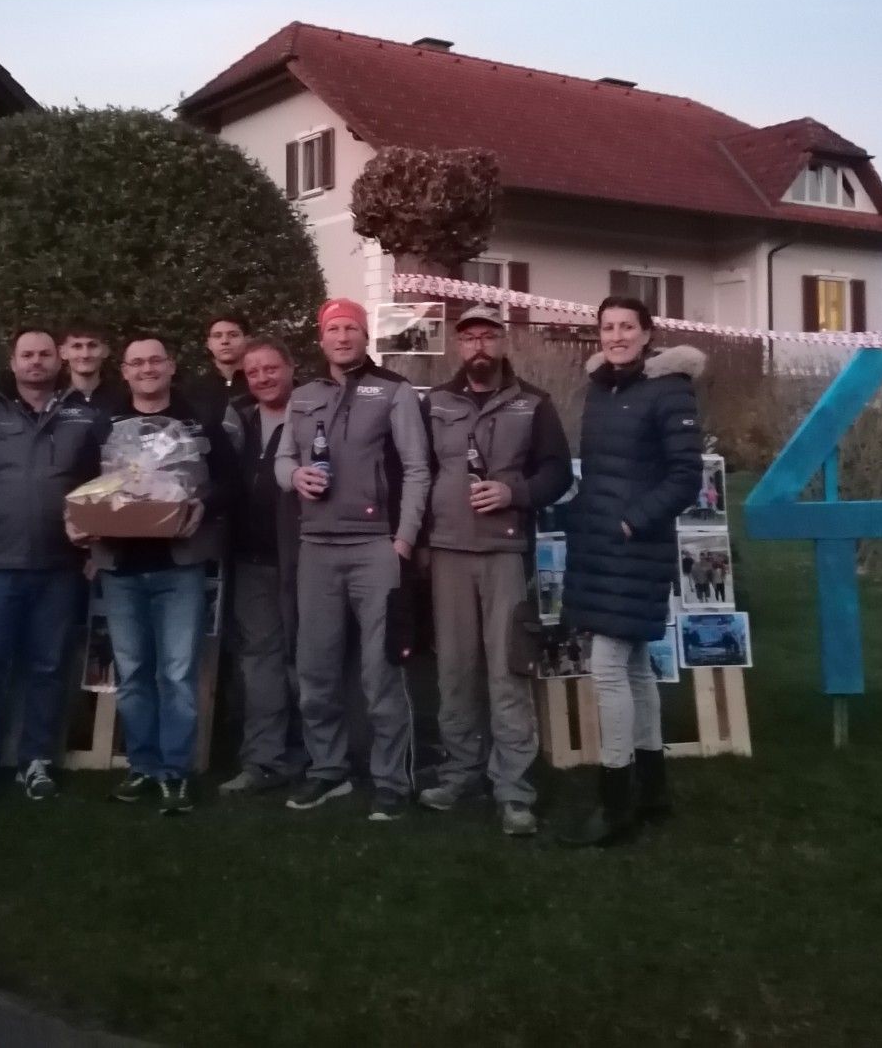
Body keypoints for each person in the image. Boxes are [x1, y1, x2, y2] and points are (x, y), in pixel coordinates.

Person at [417, 306, 572, 837]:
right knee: (454, 670)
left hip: (505, 552)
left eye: (488, 336)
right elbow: (418, 473)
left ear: (503, 342)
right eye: (470, 339)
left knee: (508, 672)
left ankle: (514, 789)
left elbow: (556, 470)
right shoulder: (434, 402)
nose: (479, 346)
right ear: (458, 347)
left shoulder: (534, 404)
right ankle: (460, 772)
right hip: (446, 552)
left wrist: (516, 493)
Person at [276, 298, 431, 822]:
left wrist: (403, 541)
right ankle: (328, 769)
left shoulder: (394, 391)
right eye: (333, 329)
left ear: (365, 337)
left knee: (379, 670)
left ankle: (391, 780)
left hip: (375, 548)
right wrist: (294, 477)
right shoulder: (302, 397)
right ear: (321, 341)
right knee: (315, 668)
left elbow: (417, 470)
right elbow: (283, 458)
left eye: (351, 329)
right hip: (316, 548)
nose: (342, 337)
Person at [559, 296, 703, 847]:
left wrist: (631, 522)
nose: (616, 336)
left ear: (647, 333)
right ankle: (652, 791)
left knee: (608, 667)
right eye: (607, 327)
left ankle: (615, 800)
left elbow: (685, 476)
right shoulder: (602, 389)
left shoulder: (670, 389)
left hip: (635, 545)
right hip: (599, 545)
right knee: (638, 665)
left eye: (626, 327)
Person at [72, 334, 235, 814]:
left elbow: (230, 481)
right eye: (136, 363)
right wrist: (79, 518)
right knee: (134, 673)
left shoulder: (197, 421)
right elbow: (82, 485)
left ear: (171, 366)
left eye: (155, 361)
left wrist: (202, 505)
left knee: (179, 674)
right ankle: (142, 766)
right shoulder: (106, 425)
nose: (146, 369)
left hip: (179, 566)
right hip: (121, 568)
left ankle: (175, 773)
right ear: (123, 371)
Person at [0, 328, 99, 808]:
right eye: (27, 355)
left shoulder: (86, 418)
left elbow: (104, 488)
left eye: (45, 354)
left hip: (60, 568)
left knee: (50, 668)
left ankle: (36, 762)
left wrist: (96, 550)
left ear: (60, 360)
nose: (36, 362)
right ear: (12, 363)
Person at [219, 336, 306, 794]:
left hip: (306, 557)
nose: (263, 378)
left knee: (310, 660)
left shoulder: (315, 414)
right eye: (253, 372)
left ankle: (318, 754)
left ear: (291, 367)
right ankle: (263, 759)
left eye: (271, 368)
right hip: (252, 560)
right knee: (260, 661)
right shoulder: (241, 421)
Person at [187, 313, 252, 429]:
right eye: (217, 336)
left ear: (247, 340)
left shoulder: (260, 383)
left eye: (233, 335)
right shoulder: (192, 389)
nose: (225, 341)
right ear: (209, 344)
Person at [60, 319, 128, 416]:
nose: (85, 355)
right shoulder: (49, 400)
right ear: (63, 352)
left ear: (105, 350)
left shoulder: (124, 398)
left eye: (92, 345)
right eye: (77, 346)